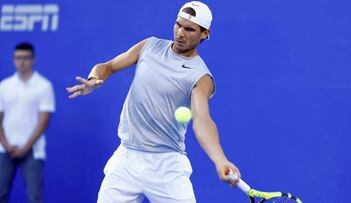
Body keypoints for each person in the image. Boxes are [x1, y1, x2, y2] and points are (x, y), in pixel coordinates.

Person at [66, 1, 240, 202]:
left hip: (166, 165)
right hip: (126, 159)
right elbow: (108, 66)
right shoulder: (150, 46)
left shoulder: (201, 77)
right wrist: (93, 81)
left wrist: (220, 160)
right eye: (178, 25)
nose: (180, 33)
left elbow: (202, 120)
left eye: (189, 29)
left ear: (204, 34)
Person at [0, 42, 55, 203]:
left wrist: (26, 146)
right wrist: (6, 144)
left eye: (25, 58)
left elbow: (44, 121)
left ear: (33, 60)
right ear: (13, 60)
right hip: (5, 149)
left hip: (33, 150)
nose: (21, 61)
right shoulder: (4, 86)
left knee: (34, 196)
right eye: (18, 58)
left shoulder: (44, 86)